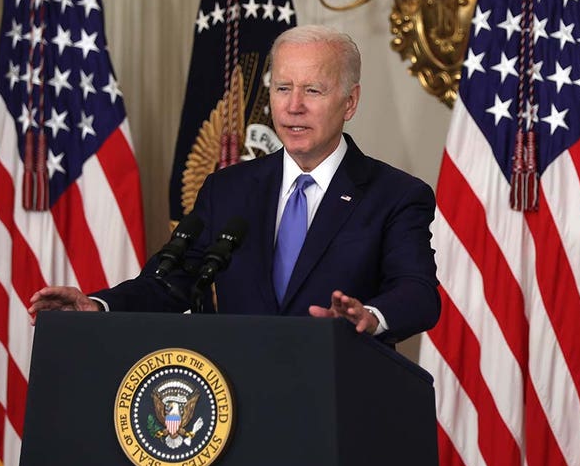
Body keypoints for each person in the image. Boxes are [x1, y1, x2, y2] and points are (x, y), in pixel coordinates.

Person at [28, 25, 440, 344]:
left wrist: (370, 316)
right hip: (238, 405)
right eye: (282, 88)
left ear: (349, 101)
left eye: (312, 90)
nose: (293, 105)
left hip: (338, 403)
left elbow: (418, 293)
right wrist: (97, 305)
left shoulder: (396, 196)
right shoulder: (229, 189)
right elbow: (171, 282)